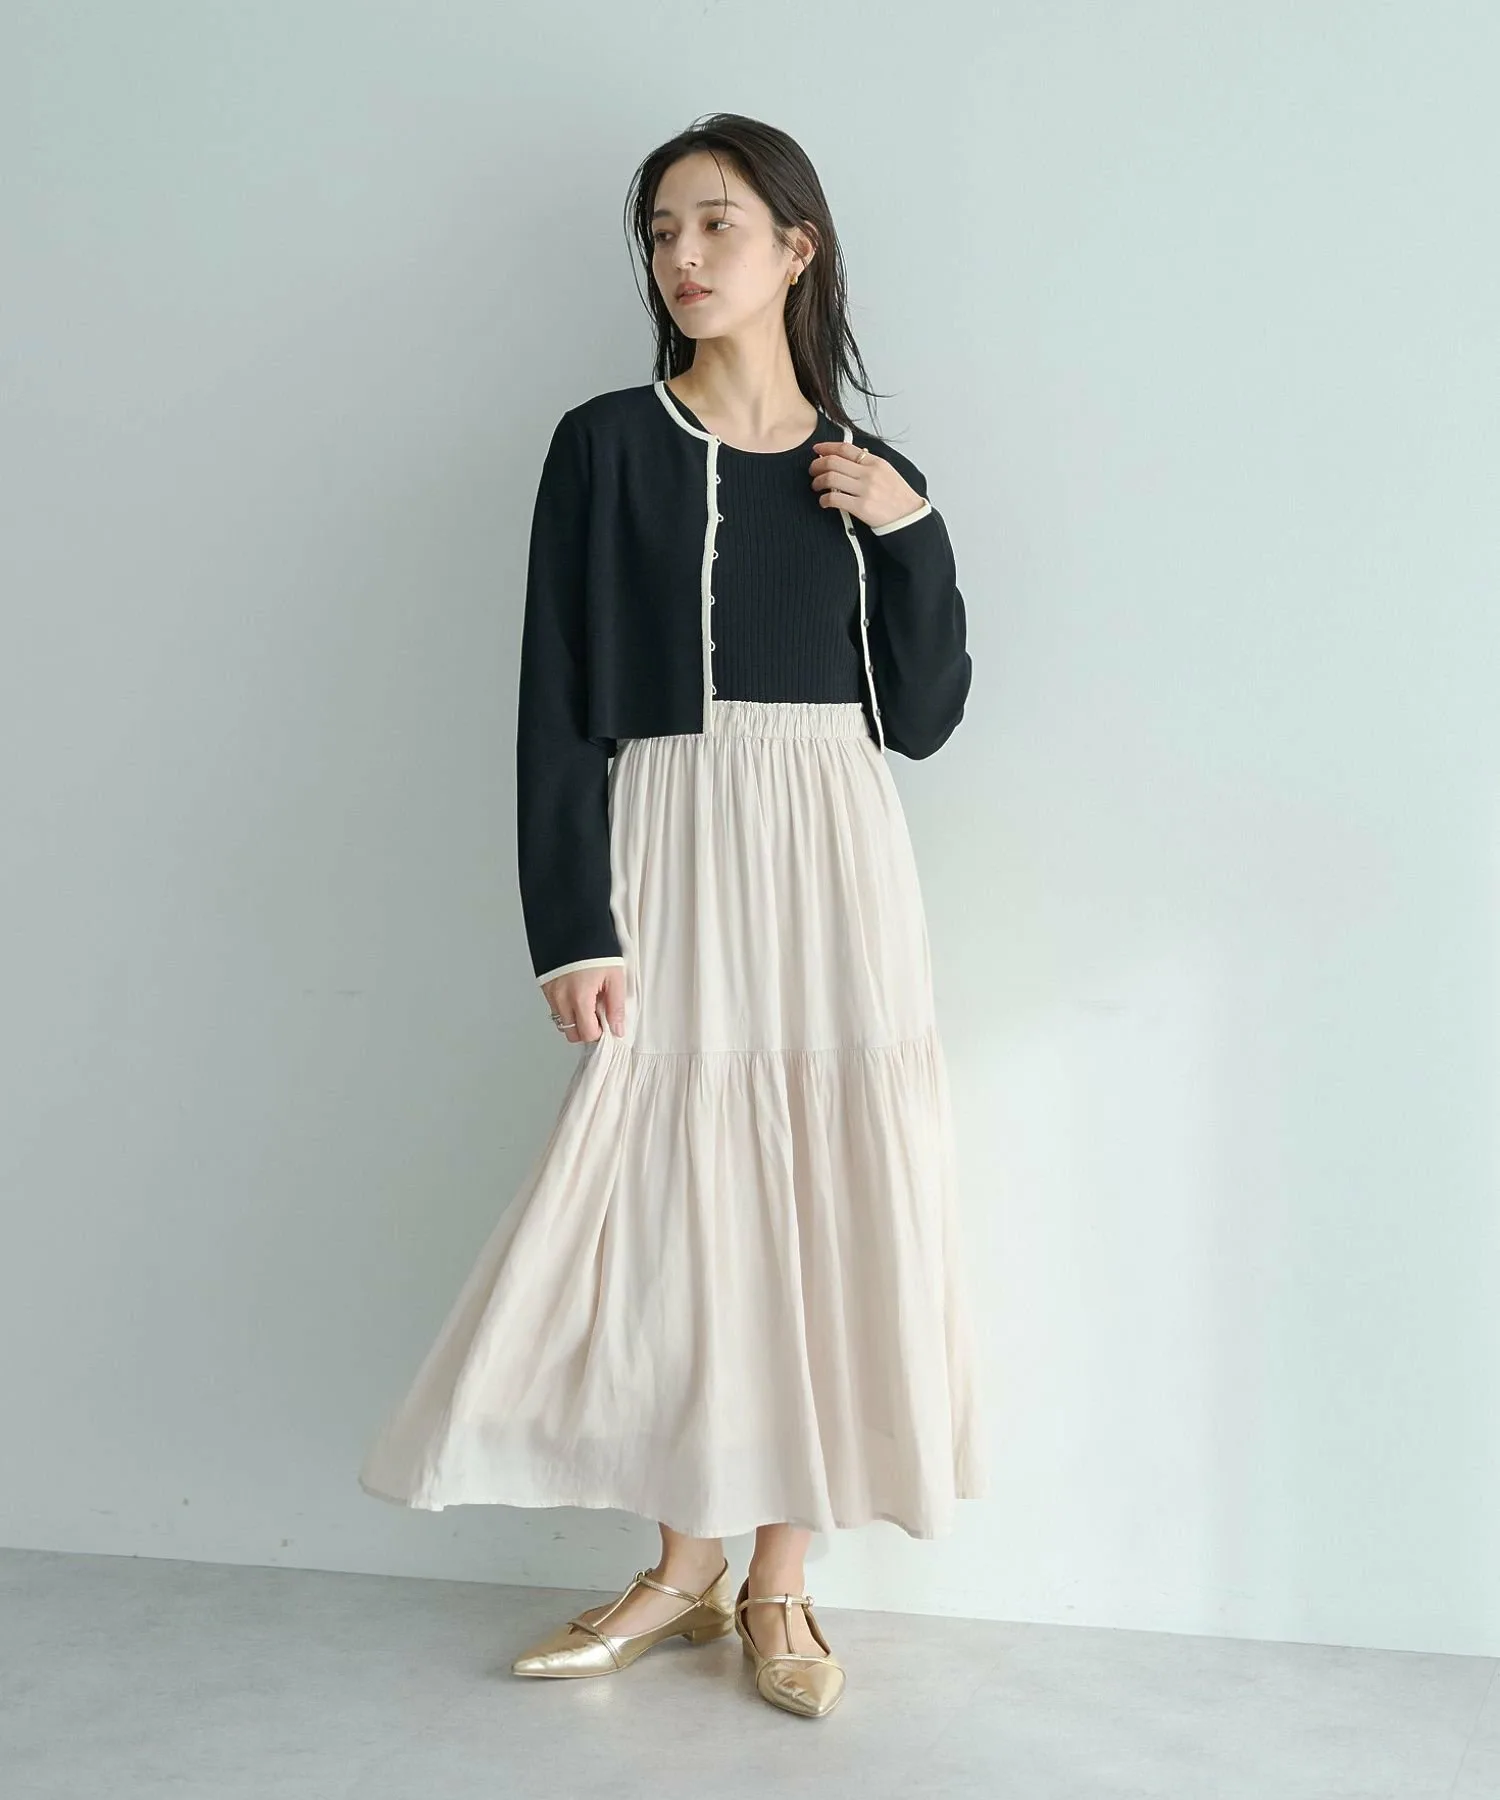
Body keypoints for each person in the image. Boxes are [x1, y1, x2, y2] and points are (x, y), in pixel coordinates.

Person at [358, 112, 987, 1720]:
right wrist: (573, 923)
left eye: (717, 224)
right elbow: (554, 699)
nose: (683, 257)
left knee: (823, 1186)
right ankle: (682, 1562)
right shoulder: (606, 446)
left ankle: (780, 1582)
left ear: (797, 247)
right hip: (674, 835)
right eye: (660, 232)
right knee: (671, 1198)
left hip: (835, 850)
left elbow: (924, 718)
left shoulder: (872, 477)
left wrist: (910, 533)